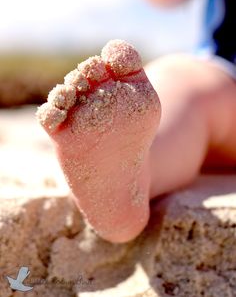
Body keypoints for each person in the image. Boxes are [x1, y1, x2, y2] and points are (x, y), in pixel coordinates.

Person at [37, 38, 236, 244]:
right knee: (184, 85)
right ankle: (134, 174)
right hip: (223, 72)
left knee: (189, 87)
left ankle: (138, 169)